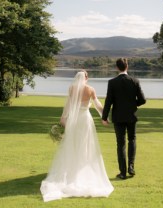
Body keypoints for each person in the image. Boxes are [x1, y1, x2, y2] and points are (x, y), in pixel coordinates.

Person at [40, 71, 114, 202]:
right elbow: (97, 105)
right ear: (86, 78)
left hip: (74, 120)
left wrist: (63, 117)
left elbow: (68, 104)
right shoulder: (90, 89)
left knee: (72, 143)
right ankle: (82, 168)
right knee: (86, 144)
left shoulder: (71, 88)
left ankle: (71, 170)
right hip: (85, 119)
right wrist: (104, 116)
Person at [102, 58, 146, 179]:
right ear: (127, 67)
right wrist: (133, 104)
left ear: (117, 68)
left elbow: (108, 102)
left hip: (118, 117)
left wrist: (104, 117)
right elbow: (142, 100)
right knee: (132, 140)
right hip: (131, 116)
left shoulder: (112, 82)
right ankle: (131, 167)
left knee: (120, 144)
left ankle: (122, 172)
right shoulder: (135, 81)